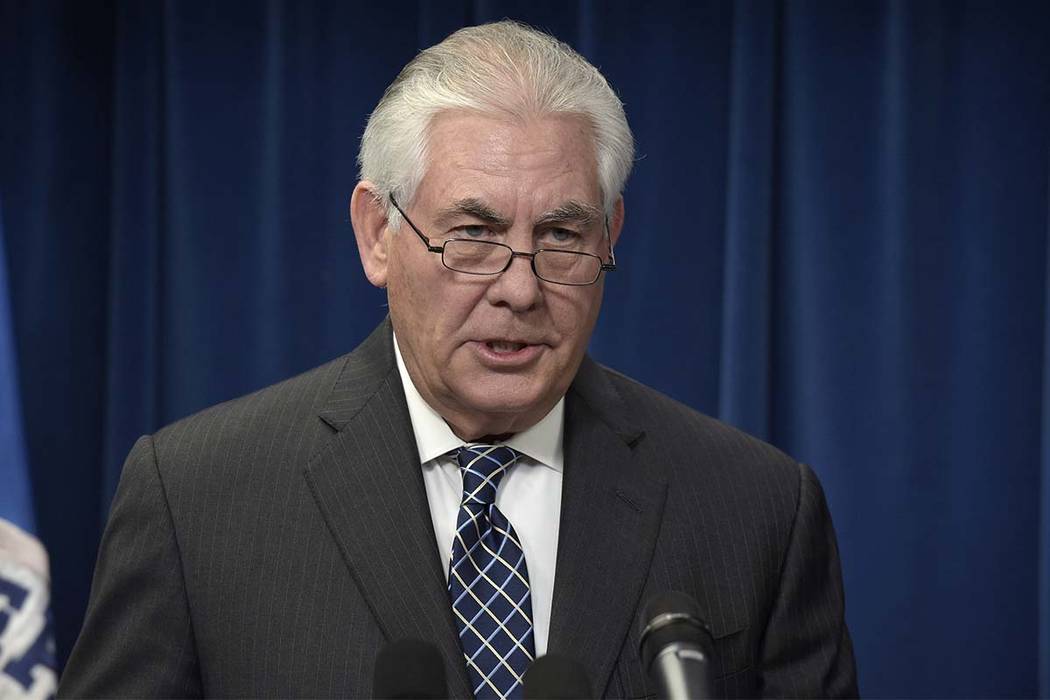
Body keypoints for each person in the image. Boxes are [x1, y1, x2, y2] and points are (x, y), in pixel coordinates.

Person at [58, 21, 857, 699]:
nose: (520, 288)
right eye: (474, 234)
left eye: (562, 235)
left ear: (610, 236)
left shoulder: (755, 509)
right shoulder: (196, 500)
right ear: (378, 234)